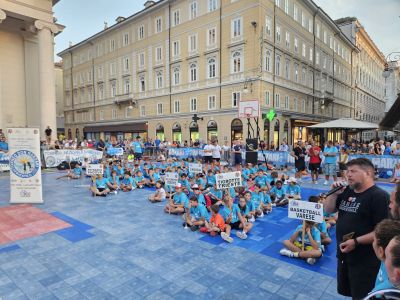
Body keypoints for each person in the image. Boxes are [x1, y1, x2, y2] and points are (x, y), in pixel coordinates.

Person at [322, 158, 390, 299]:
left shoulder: (379, 196)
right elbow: (328, 209)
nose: (348, 175)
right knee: (349, 291)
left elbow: (382, 231)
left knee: (362, 294)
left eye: (353, 171)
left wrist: (356, 241)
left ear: (368, 173)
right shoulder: (346, 191)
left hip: (365, 260)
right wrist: (333, 193)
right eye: (347, 171)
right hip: (344, 254)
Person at [370, 220, 400, 293]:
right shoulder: (390, 260)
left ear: (381, 251)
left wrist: (373, 293)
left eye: (374, 240)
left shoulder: (392, 271)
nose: (372, 242)